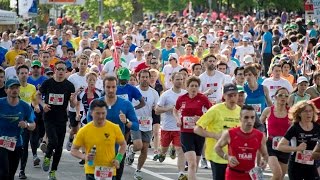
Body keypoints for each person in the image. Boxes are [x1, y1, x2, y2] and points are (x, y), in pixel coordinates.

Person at [86, 75, 139, 180]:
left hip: (118, 151)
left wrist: (126, 121)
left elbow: (136, 126)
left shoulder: (126, 104)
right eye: (108, 87)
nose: (111, 90)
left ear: (117, 87)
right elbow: (89, 124)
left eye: (113, 87)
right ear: (104, 87)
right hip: (98, 150)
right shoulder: (95, 103)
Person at [194, 83, 241, 180]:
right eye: (229, 95)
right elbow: (197, 129)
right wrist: (215, 135)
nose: (232, 98)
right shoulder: (215, 110)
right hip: (217, 155)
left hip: (234, 155)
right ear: (224, 96)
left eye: (235, 95)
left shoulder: (240, 111)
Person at [71, 99, 127, 180]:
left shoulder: (114, 128)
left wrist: (118, 159)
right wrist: (84, 157)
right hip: (91, 171)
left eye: (103, 113)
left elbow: (123, 144)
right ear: (91, 112)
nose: (101, 116)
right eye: (97, 113)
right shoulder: (84, 130)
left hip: (110, 171)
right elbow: (73, 150)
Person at [39, 61, 77, 179]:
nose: (60, 71)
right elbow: (37, 96)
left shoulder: (69, 85)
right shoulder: (47, 83)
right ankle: (47, 156)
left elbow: (73, 104)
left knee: (59, 147)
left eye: (63, 70)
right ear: (55, 70)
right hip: (49, 117)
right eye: (58, 69)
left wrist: (72, 99)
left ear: (66, 71)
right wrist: (43, 104)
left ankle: (53, 171)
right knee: (53, 141)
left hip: (61, 118)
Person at [214, 105, 268, 180]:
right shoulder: (230, 133)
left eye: (252, 117)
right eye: (246, 117)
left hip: (250, 175)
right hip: (233, 174)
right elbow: (217, 148)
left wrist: (264, 161)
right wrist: (227, 157)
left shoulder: (260, 135)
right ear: (240, 119)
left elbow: (265, 154)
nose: (249, 120)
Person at [174, 76, 212, 180]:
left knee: (195, 164)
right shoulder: (182, 98)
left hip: (199, 132)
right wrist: (178, 119)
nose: (194, 88)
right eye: (192, 86)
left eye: (196, 86)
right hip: (186, 132)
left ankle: (191, 177)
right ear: (187, 87)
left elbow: (211, 112)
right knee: (192, 162)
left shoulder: (203, 98)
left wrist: (201, 118)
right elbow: (175, 110)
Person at [0, 78, 35, 180]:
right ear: (6, 90)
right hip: (1, 143)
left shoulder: (25, 106)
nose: (15, 90)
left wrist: (27, 125)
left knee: (10, 174)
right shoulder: (1, 103)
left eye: (17, 88)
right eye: (12, 88)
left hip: (16, 144)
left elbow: (33, 125)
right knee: (3, 172)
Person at [155, 72, 188, 179]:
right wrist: (169, 108)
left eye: (181, 79)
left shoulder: (186, 94)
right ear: (172, 80)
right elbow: (157, 110)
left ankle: (181, 173)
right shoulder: (166, 94)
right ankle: (165, 152)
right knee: (163, 150)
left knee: (181, 150)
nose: (179, 81)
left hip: (179, 128)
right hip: (167, 127)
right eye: (177, 79)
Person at [277, 101, 320, 180]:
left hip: (312, 165)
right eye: (305, 111)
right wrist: (296, 148)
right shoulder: (295, 128)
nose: (308, 114)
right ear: (299, 114)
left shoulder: (317, 127)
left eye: (310, 111)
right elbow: (280, 146)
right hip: (296, 166)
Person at [130, 69, 159, 180]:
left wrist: (157, 109)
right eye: (143, 77)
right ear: (138, 78)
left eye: (147, 77)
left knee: (145, 149)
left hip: (147, 122)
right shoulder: (134, 91)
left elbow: (156, 108)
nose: (145, 79)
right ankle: (132, 150)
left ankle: (138, 170)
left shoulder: (154, 93)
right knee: (138, 145)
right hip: (135, 121)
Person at [260, 87, 291, 180]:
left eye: (286, 96)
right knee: (277, 174)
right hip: (271, 145)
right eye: (280, 95)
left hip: (285, 146)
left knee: (280, 177)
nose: (283, 97)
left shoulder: (291, 112)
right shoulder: (268, 110)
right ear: (275, 97)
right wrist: (263, 135)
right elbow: (259, 125)